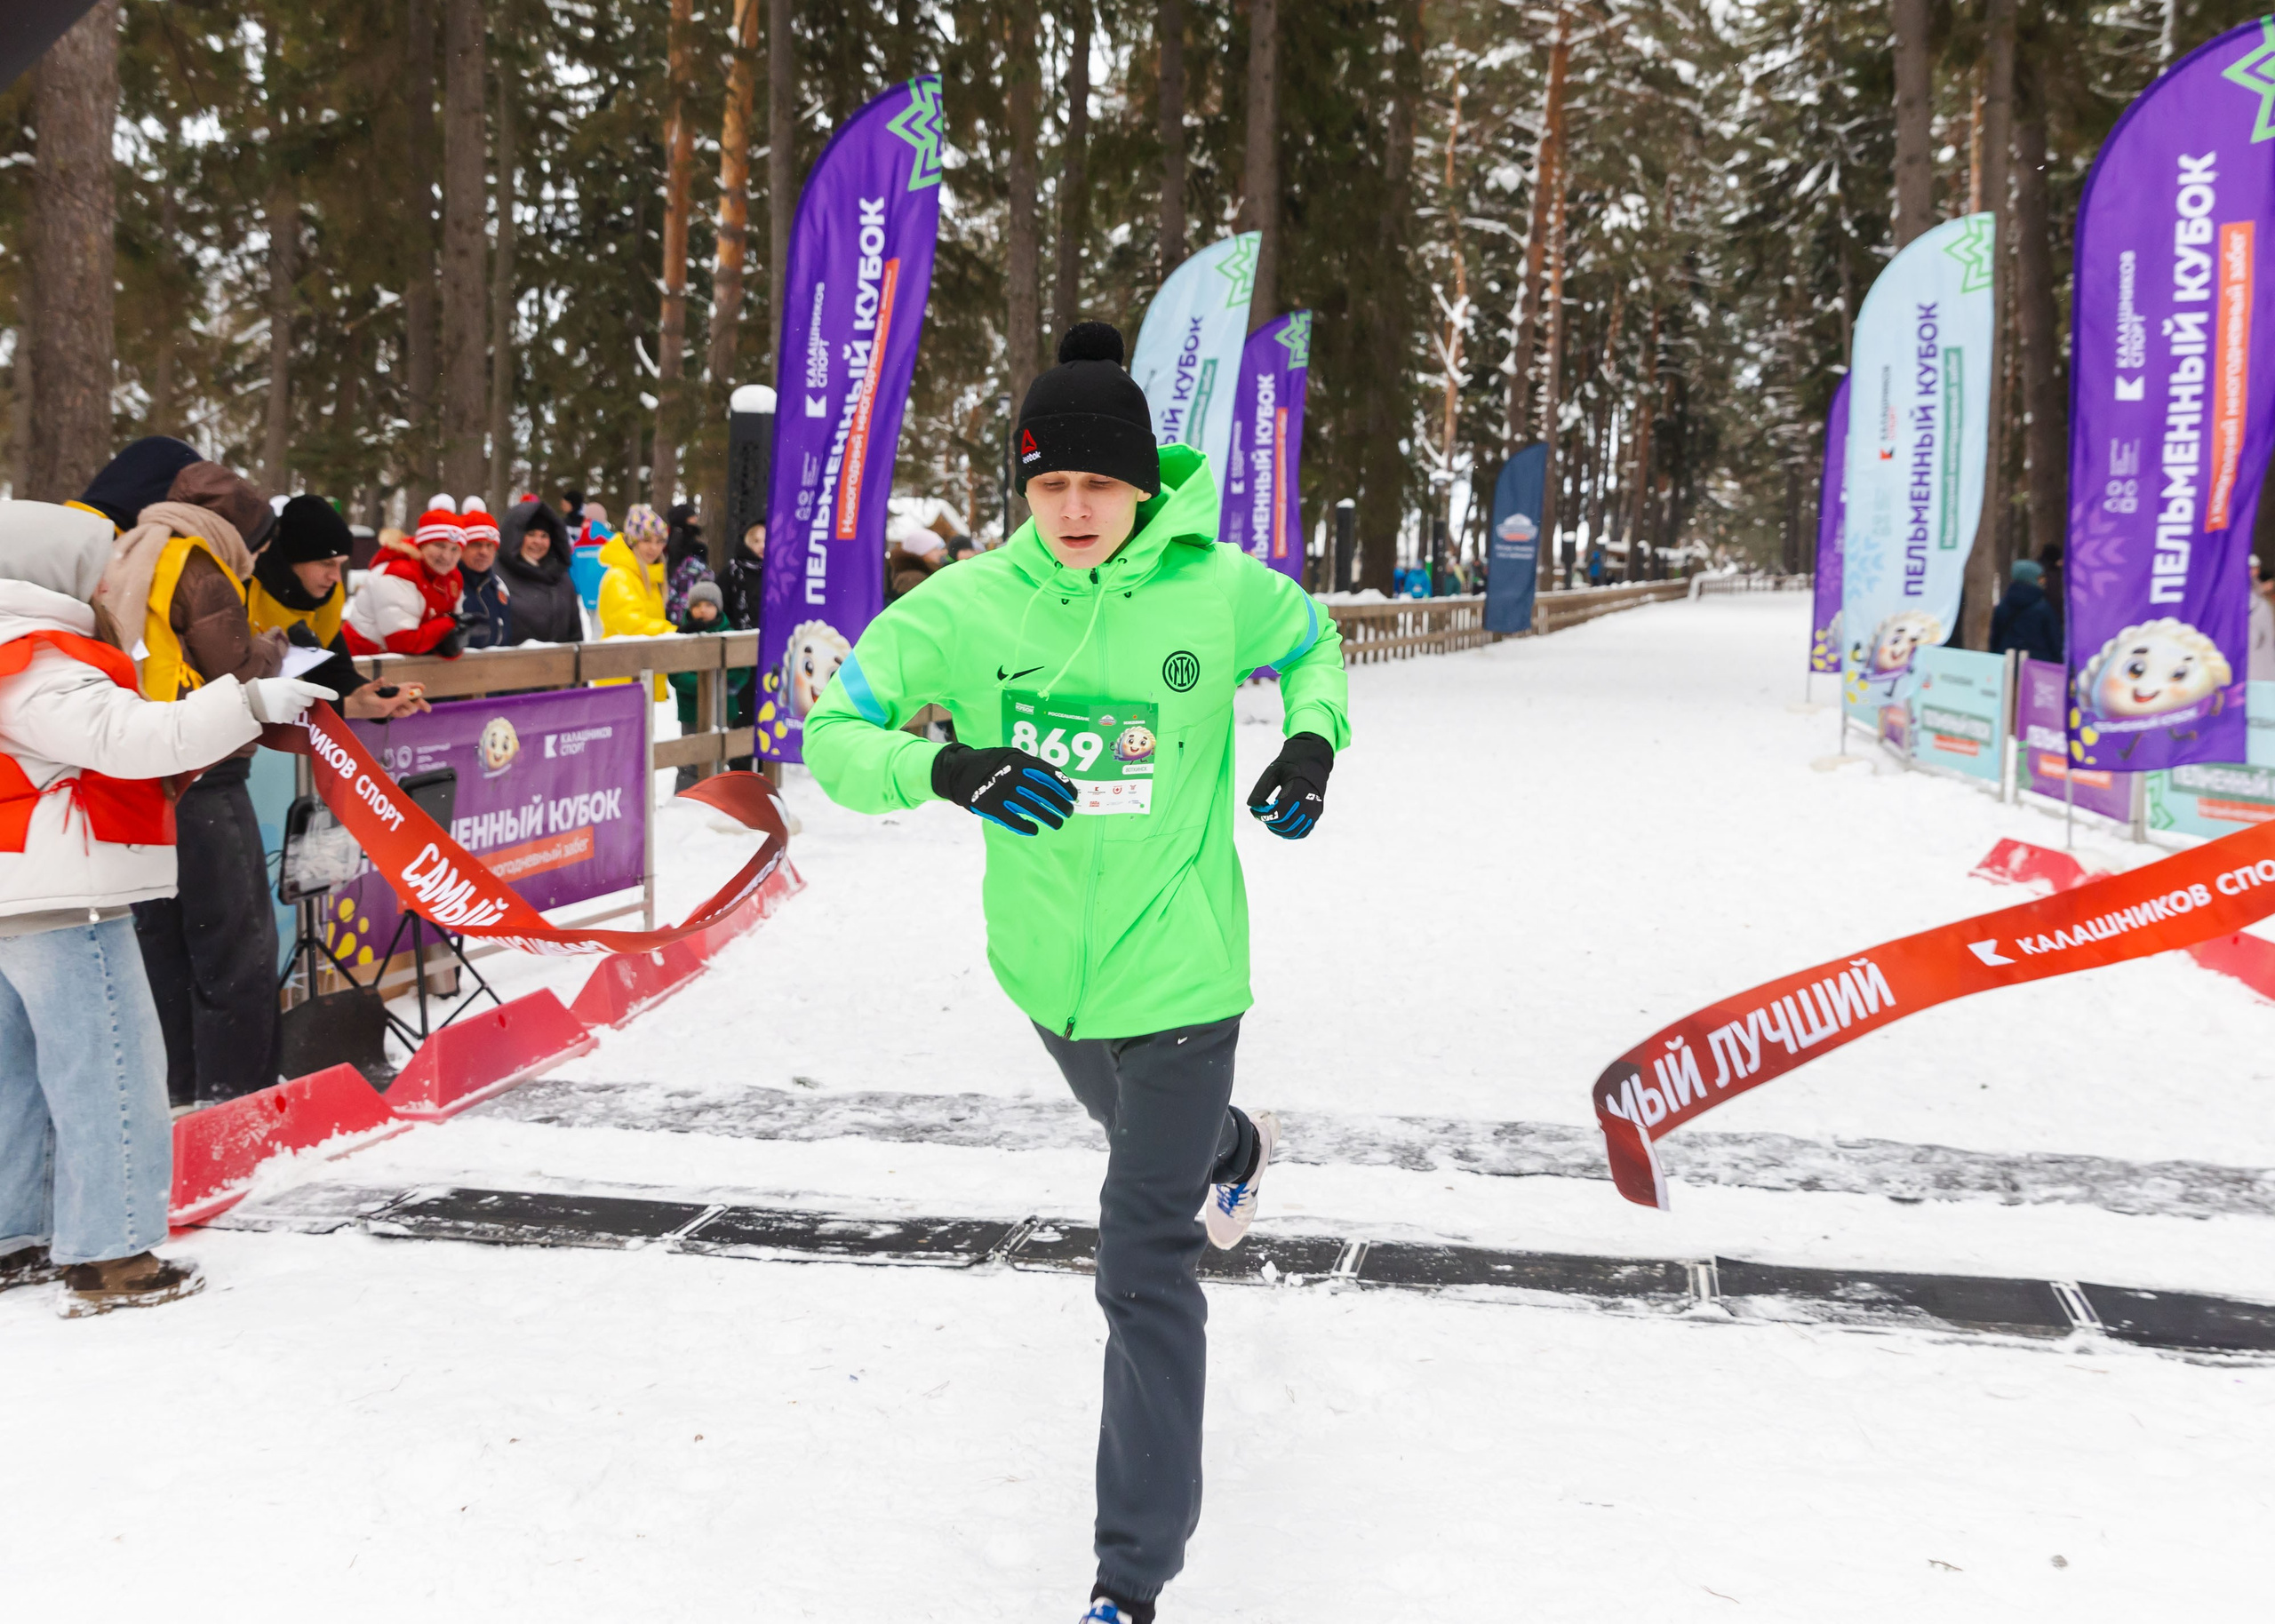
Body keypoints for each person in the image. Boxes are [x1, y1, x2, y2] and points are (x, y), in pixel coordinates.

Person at [802, 322, 1349, 1624]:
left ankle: (1129, 1581)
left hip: (1183, 971)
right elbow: (830, 729)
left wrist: (1311, 742)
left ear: (1141, 486)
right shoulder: (966, 608)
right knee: (1155, 1155)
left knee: (1138, 1261)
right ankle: (1229, 1147)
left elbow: (1316, 640)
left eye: (1097, 484)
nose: (1073, 509)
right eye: (1048, 485)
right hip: (1045, 976)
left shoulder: (1215, 589)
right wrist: (939, 768)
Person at [0, 500, 334, 1312]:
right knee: (110, 1072)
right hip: (65, 895)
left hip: (22, 890)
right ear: (61, 575)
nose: (119, 579)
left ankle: (19, 1233)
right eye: (102, 566)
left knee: (20, 1078)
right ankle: (113, 1256)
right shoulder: (39, 659)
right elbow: (128, 736)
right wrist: (249, 704)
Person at [344, 498, 469, 657]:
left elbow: (446, 631)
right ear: (422, 545)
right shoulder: (397, 574)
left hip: (402, 668)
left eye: (454, 549)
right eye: (439, 545)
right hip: (362, 663)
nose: (446, 556)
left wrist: (453, 641)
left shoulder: (452, 578)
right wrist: (451, 623)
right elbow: (403, 642)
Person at [599, 504, 674, 699]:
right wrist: (671, 631)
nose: (654, 548)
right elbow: (630, 623)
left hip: (637, 675)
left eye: (659, 541)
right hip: (620, 679)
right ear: (633, 541)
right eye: (646, 540)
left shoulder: (648, 576)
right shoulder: (620, 576)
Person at [499, 495, 584, 644]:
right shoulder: (497, 575)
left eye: (544, 535)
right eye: (531, 534)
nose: (538, 541)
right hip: (512, 665)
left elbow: (575, 635)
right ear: (516, 537)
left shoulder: (561, 578)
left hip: (560, 665)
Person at [457, 501, 511, 649]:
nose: (484, 552)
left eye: (489, 545)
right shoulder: (450, 585)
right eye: (476, 545)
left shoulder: (498, 586)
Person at [1989, 557, 2063, 665]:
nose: (2043, 582)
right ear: (2032, 579)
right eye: (2040, 578)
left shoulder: (2003, 605)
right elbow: (2055, 642)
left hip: (2006, 663)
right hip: (2037, 668)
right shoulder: (2043, 608)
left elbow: (1995, 639)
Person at [663, 502, 714, 623]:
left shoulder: (671, 535)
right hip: (684, 584)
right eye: (692, 515)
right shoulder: (681, 536)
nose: (695, 518)